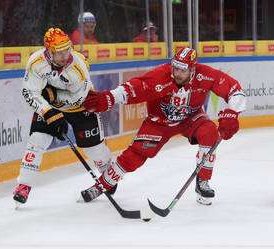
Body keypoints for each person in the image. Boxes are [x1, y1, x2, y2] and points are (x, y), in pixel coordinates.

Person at [81, 47, 246, 205]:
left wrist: (233, 113)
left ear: (192, 69)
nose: (178, 73)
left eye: (183, 70)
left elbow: (234, 90)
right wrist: (108, 98)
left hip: (191, 118)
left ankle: (202, 181)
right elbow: (134, 88)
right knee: (134, 156)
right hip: (158, 122)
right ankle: (102, 185)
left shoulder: (206, 75)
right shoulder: (161, 75)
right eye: (176, 68)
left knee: (209, 132)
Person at [13, 27, 113, 205]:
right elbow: (30, 93)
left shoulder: (79, 66)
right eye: (59, 52)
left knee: (93, 149)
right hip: (52, 106)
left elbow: (78, 98)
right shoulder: (36, 62)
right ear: (48, 52)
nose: (64, 55)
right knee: (37, 140)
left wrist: (53, 95)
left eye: (67, 50)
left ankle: (108, 175)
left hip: (81, 106)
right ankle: (24, 185)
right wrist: (49, 112)